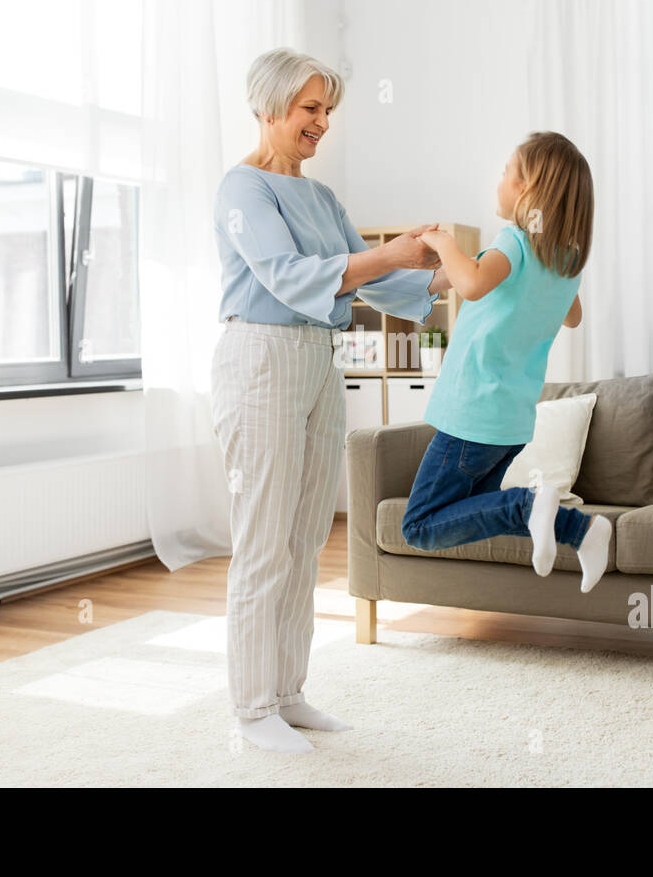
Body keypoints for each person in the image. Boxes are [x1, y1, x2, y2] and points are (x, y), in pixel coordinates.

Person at [210, 48, 450, 754]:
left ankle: (287, 693)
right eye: (311, 109)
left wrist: (453, 277)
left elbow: (372, 284)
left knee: (307, 535)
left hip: (320, 356)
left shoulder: (322, 198)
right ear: (271, 107)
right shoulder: (242, 188)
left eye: (327, 112)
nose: (321, 124)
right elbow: (288, 276)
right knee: (263, 539)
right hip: (260, 356)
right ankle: (251, 708)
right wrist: (394, 255)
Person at [401, 132, 612, 592]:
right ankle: (581, 530)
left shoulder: (514, 241)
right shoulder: (565, 260)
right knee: (479, 511)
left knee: (418, 524)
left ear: (527, 188)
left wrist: (443, 241)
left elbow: (473, 284)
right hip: (511, 422)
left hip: (472, 412)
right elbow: (572, 316)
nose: (498, 181)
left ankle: (528, 505)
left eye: (504, 173)